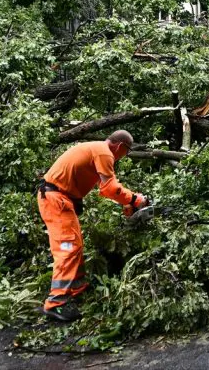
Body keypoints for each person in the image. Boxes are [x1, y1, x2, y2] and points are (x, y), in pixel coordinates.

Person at [37, 130, 148, 322]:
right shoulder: (104, 152)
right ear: (121, 147)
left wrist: (127, 201)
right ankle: (56, 303)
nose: (123, 157)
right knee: (68, 248)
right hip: (56, 200)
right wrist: (135, 199)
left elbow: (107, 189)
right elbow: (111, 189)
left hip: (60, 199)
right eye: (126, 152)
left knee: (75, 246)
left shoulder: (95, 149)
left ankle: (76, 289)